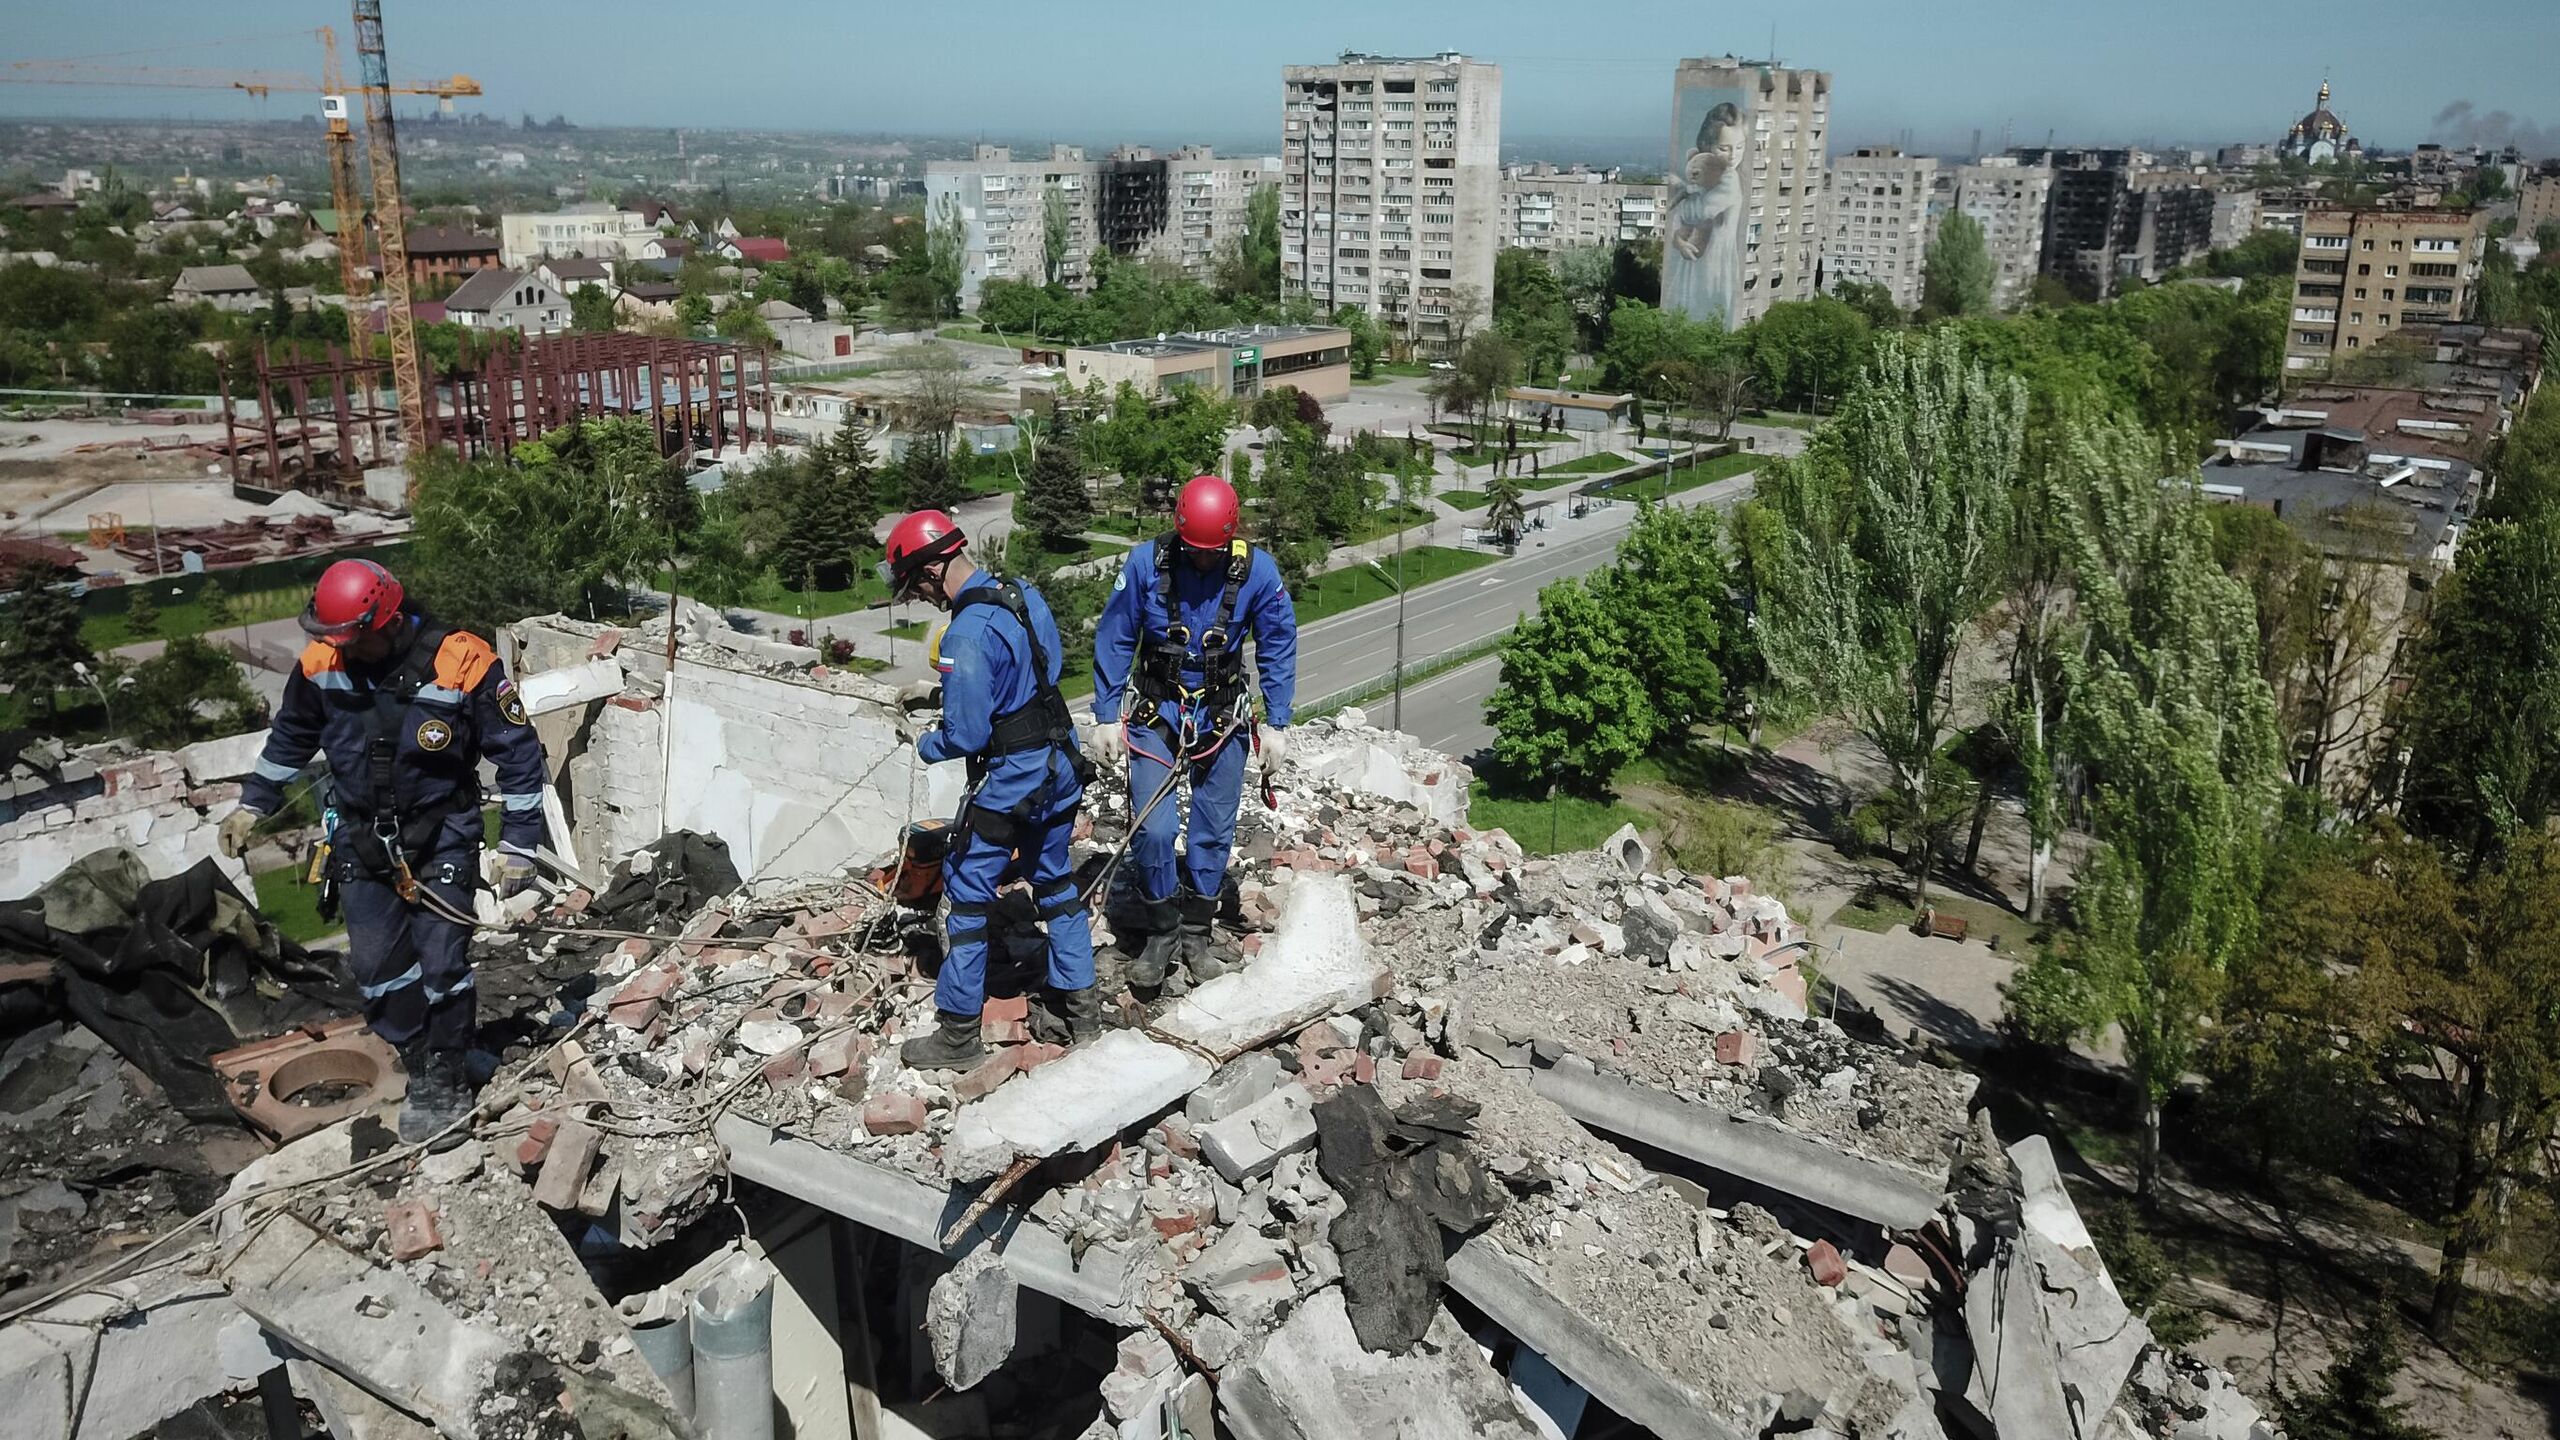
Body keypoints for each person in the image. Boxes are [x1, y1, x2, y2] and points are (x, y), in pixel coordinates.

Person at [217, 559, 549, 1143]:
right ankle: (420, 1053)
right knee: (375, 970)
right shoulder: (322, 663)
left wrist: (519, 846)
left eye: (353, 637)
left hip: (442, 831)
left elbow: (519, 754)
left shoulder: (462, 661)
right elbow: (292, 734)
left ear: (389, 619)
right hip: (359, 836)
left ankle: (444, 1074)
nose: (341, 648)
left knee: (442, 961)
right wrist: (253, 804)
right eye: (332, 637)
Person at [881, 509, 1100, 1068]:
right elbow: (1031, 675)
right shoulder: (1022, 593)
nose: (922, 598)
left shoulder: (965, 633)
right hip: (1059, 765)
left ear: (933, 568)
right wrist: (950, 696)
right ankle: (1083, 1011)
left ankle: (957, 1037)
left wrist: (922, 741)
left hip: (1012, 783)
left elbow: (967, 734)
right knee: (1053, 881)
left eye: (917, 586)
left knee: (968, 896)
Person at [1088, 475, 1298, 986]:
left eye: (1213, 552)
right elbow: (1116, 635)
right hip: (1157, 712)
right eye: (1194, 550)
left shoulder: (1257, 571)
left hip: (1222, 715)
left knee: (1212, 827)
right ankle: (1161, 931)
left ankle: (1197, 932)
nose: (1203, 560)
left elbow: (1277, 641)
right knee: (1154, 828)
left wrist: (1276, 722)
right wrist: (1104, 714)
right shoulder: (1147, 562)